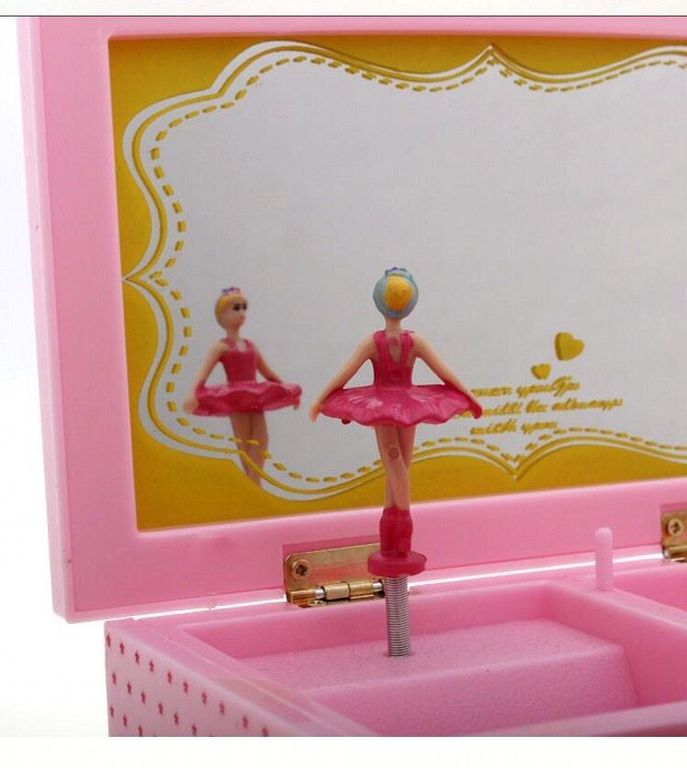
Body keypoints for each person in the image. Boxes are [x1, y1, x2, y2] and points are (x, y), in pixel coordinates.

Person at [309, 267, 482, 575]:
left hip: (408, 404)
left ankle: (396, 535)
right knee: (397, 467)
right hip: (383, 405)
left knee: (401, 466)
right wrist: (321, 399)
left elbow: (444, 371)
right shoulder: (375, 343)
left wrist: (469, 397)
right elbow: (346, 372)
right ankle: (398, 532)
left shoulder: (413, 342)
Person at [183, 287, 301, 485]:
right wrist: (191, 395)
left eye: (244, 308)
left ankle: (255, 482)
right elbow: (202, 375)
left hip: (255, 397)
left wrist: (287, 392)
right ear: (222, 314)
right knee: (245, 442)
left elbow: (268, 373)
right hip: (236, 398)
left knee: (262, 439)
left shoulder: (250, 345)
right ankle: (252, 484)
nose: (241, 313)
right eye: (236, 308)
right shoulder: (221, 347)